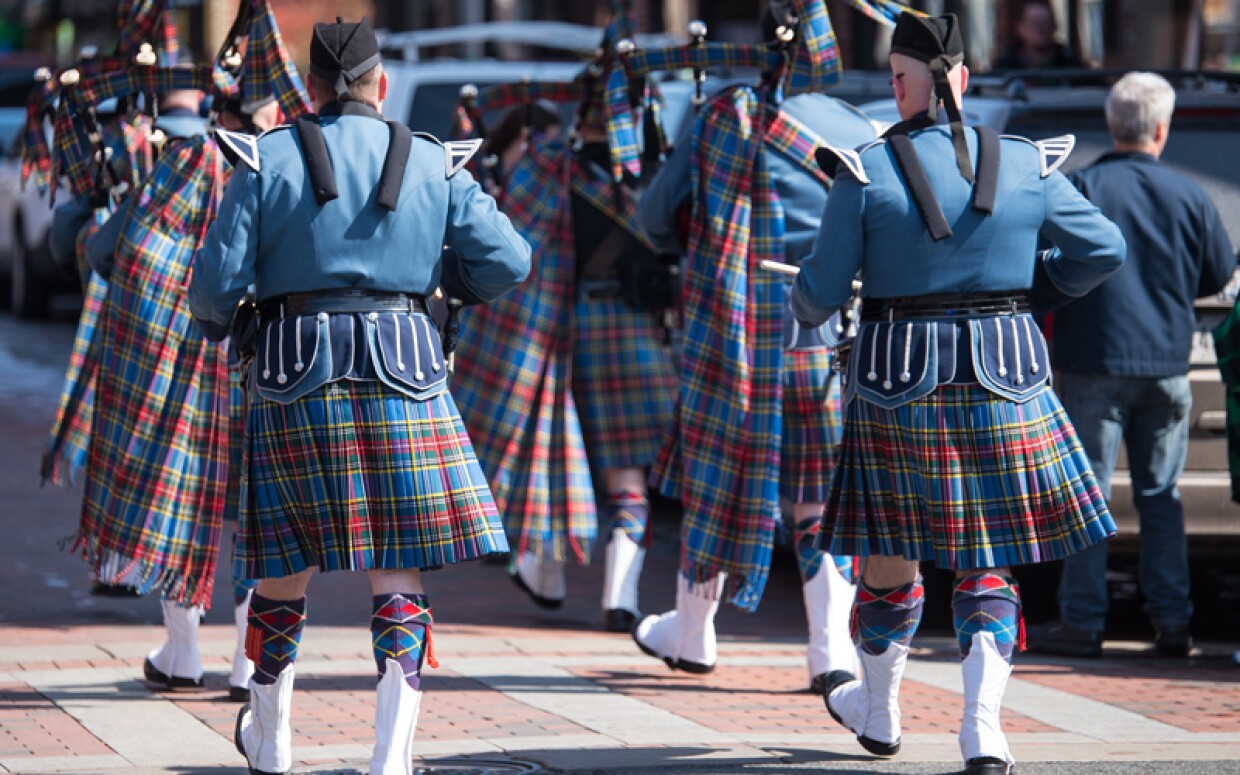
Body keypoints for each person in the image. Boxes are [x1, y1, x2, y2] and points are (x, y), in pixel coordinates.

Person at [189, 18, 530, 775]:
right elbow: (509, 260)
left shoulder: (264, 156)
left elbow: (214, 285)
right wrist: (450, 292)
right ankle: (390, 757)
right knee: (398, 568)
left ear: (310, 87)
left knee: (282, 564)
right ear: (380, 84)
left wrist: (219, 326)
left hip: (291, 368)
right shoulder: (437, 162)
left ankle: (271, 744)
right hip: (406, 367)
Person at [789, 13, 1125, 775]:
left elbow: (819, 293)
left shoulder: (864, 169)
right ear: (964, 80)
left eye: (895, 79)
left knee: (889, 557)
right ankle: (982, 730)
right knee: (989, 562)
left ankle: (879, 714)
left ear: (903, 84)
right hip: (1008, 373)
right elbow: (1103, 248)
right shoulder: (1027, 162)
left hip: (895, 378)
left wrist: (807, 301)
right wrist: (1033, 287)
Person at [632, 1, 871, 691]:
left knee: (715, 477)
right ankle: (830, 649)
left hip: (731, 330)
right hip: (820, 332)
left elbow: (653, 218)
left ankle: (693, 629)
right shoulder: (854, 126)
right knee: (817, 496)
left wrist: (702, 247)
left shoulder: (718, 118)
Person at [74, 87, 281, 702]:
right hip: (258, 361)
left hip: (180, 365)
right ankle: (249, 661)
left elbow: (100, 250)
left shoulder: (179, 167)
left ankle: (183, 652)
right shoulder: (286, 165)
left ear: (219, 118)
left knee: (179, 494)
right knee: (255, 511)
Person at [450, 77, 679, 632]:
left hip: (551, 329)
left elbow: (510, 241)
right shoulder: (652, 174)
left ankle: (544, 575)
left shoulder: (552, 167)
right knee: (627, 478)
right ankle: (619, 596)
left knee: (552, 456)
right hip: (630, 332)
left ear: (586, 114)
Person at [1027, 72, 1237, 660]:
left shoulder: (1082, 186)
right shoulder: (1193, 194)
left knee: (1088, 497)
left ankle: (1082, 621)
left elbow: (1043, 262)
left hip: (1092, 362)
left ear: (1111, 123)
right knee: (1160, 498)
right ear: (1163, 129)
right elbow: (1218, 277)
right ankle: (1172, 623)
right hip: (1169, 365)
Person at [991, 0, 1084, 71]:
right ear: (1020, 28)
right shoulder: (1006, 65)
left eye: (1045, 22)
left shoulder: (1069, 61)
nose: (1040, 28)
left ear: (1055, 26)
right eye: (1034, 23)